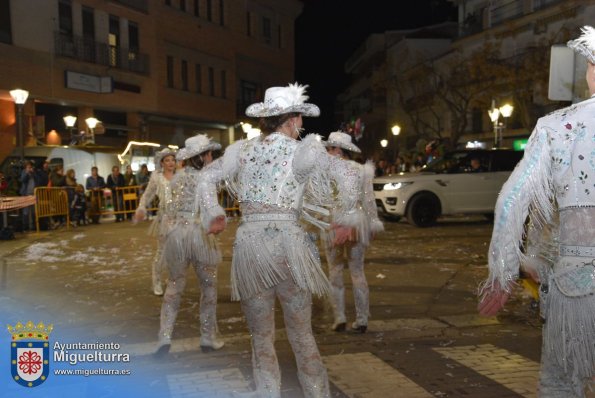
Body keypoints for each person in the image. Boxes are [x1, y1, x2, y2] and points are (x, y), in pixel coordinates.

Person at [204, 83, 362, 397]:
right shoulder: (305, 150)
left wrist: (214, 212)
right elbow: (349, 175)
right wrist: (345, 218)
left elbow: (207, 176)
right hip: (292, 247)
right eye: (299, 118)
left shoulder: (243, 150)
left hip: (252, 250)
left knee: (261, 338)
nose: (302, 125)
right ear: (290, 119)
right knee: (301, 333)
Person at [478, 26, 595, 398]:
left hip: (577, 284)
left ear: (592, 70)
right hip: (573, 281)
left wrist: (503, 270)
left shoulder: (557, 127)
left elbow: (511, 202)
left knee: (563, 384)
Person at [155, 134, 225, 356]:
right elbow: (210, 210)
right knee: (208, 287)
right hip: (200, 235)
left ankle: (164, 337)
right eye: (210, 153)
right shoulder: (208, 178)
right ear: (203, 156)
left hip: (178, 235)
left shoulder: (176, 178)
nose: (212, 156)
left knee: (174, 285)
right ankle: (207, 337)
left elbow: (170, 209)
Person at [322, 131, 384, 333]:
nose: (327, 152)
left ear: (338, 150)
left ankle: (339, 318)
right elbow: (368, 200)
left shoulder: (326, 171)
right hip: (357, 225)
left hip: (332, 225)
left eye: (329, 148)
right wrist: (372, 222)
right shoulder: (362, 171)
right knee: (357, 271)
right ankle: (362, 319)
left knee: (335, 271)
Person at [134, 148, 177, 296]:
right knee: (162, 251)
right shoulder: (157, 177)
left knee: (177, 253)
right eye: (167, 160)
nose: (171, 163)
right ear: (162, 163)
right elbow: (147, 195)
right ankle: (156, 281)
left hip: (180, 220)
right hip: (164, 219)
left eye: (173, 159)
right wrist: (141, 207)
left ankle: (172, 280)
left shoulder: (181, 176)